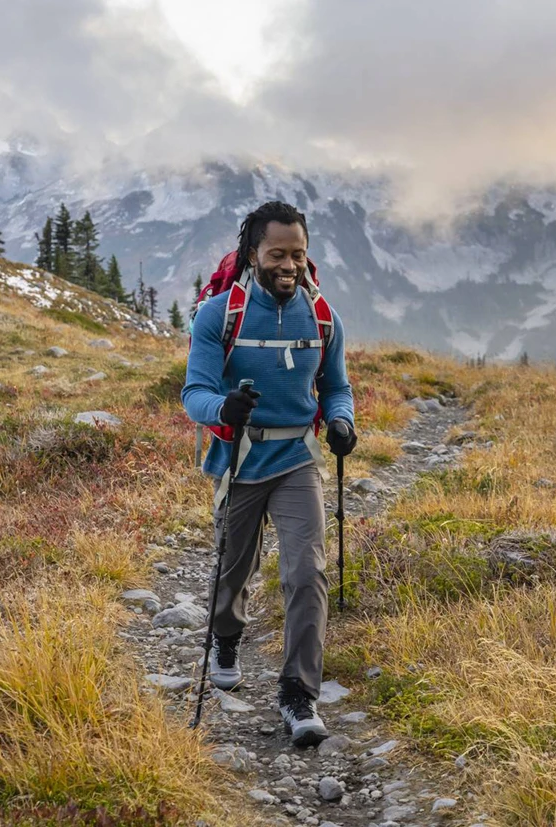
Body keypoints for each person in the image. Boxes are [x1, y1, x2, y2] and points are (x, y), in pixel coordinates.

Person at [182, 201, 357, 747]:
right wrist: (222, 409)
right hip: (240, 462)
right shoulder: (220, 316)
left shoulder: (323, 317)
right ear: (252, 254)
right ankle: (226, 636)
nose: (289, 265)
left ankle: (298, 694)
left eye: (298, 255)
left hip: (296, 460)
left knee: (306, 571)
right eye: (277, 254)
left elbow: (335, 387)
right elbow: (195, 394)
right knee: (235, 566)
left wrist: (341, 420)